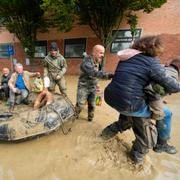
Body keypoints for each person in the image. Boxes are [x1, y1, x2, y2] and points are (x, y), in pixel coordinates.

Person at [100, 35, 180, 164]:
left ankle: (103, 136)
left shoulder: (126, 58)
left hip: (111, 97)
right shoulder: (151, 62)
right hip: (130, 103)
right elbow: (173, 86)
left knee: (127, 120)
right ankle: (137, 160)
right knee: (152, 131)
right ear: (155, 49)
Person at [75, 45, 113, 121]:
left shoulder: (97, 61)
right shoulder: (86, 62)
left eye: (103, 53)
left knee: (92, 104)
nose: (102, 55)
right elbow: (94, 73)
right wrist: (109, 75)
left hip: (93, 87)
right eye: (101, 53)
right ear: (94, 53)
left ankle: (90, 117)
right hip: (84, 87)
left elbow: (96, 75)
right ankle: (75, 115)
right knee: (80, 104)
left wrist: (97, 83)